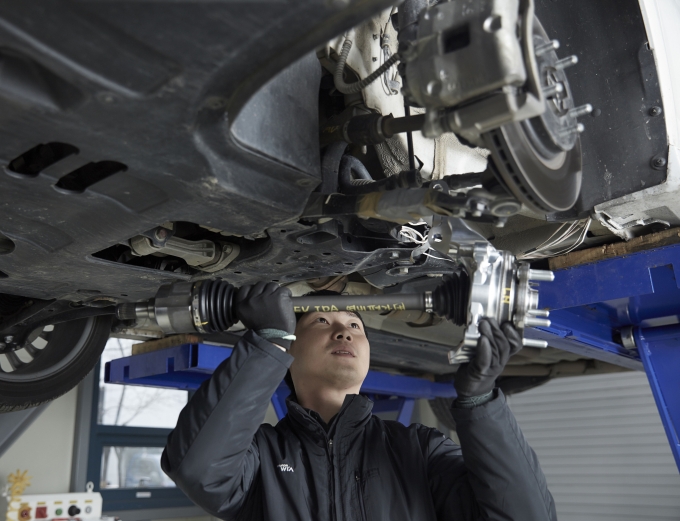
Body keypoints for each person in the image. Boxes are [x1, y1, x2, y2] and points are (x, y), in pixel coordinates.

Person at [161, 282, 557, 520]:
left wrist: (481, 402)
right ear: (289, 348)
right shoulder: (262, 457)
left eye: (354, 325)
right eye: (322, 322)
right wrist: (266, 342)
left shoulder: (419, 450)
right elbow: (199, 471)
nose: (345, 333)